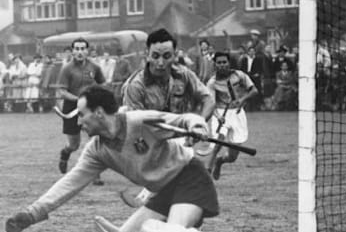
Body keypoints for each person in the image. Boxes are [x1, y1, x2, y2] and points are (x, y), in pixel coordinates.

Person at [5, 85, 265, 232]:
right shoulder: (97, 150)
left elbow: (182, 119)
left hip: (189, 177)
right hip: (162, 191)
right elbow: (68, 184)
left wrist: (196, 125)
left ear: (98, 113)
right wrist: (32, 214)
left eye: (82, 115)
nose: (79, 122)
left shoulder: (139, 122)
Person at [119, 28, 215, 206]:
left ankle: (150, 206)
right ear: (147, 55)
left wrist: (199, 125)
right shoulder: (136, 86)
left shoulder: (184, 75)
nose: (161, 62)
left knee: (182, 189)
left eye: (166, 56)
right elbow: (135, 127)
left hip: (182, 142)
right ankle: (146, 202)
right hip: (150, 143)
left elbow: (208, 99)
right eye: (155, 56)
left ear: (174, 55)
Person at [55, 38, 106, 184]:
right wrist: (78, 100)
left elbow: (103, 84)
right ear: (72, 51)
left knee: (94, 140)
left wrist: (99, 96)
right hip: (71, 108)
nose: (79, 52)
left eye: (83, 48)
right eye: (76, 49)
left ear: (87, 51)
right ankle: (65, 153)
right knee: (74, 145)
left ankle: (95, 175)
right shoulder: (67, 69)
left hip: (89, 108)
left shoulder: (94, 67)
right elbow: (62, 91)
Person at [207, 51, 258, 180]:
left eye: (224, 62)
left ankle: (220, 161)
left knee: (232, 157)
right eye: (219, 63)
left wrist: (242, 100)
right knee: (218, 141)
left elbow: (254, 90)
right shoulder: (212, 82)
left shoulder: (239, 75)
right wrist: (218, 117)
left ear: (229, 63)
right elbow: (210, 104)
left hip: (237, 114)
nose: (222, 65)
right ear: (215, 65)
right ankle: (207, 171)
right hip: (221, 114)